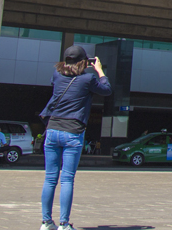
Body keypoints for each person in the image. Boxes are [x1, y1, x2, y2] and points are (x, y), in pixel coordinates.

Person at [38, 46, 112, 230]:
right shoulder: (88, 79)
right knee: (67, 179)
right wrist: (99, 70)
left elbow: (58, 82)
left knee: (50, 179)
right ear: (84, 62)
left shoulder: (56, 75)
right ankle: (64, 224)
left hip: (53, 130)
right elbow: (107, 90)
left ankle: (46, 222)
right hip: (73, 132)